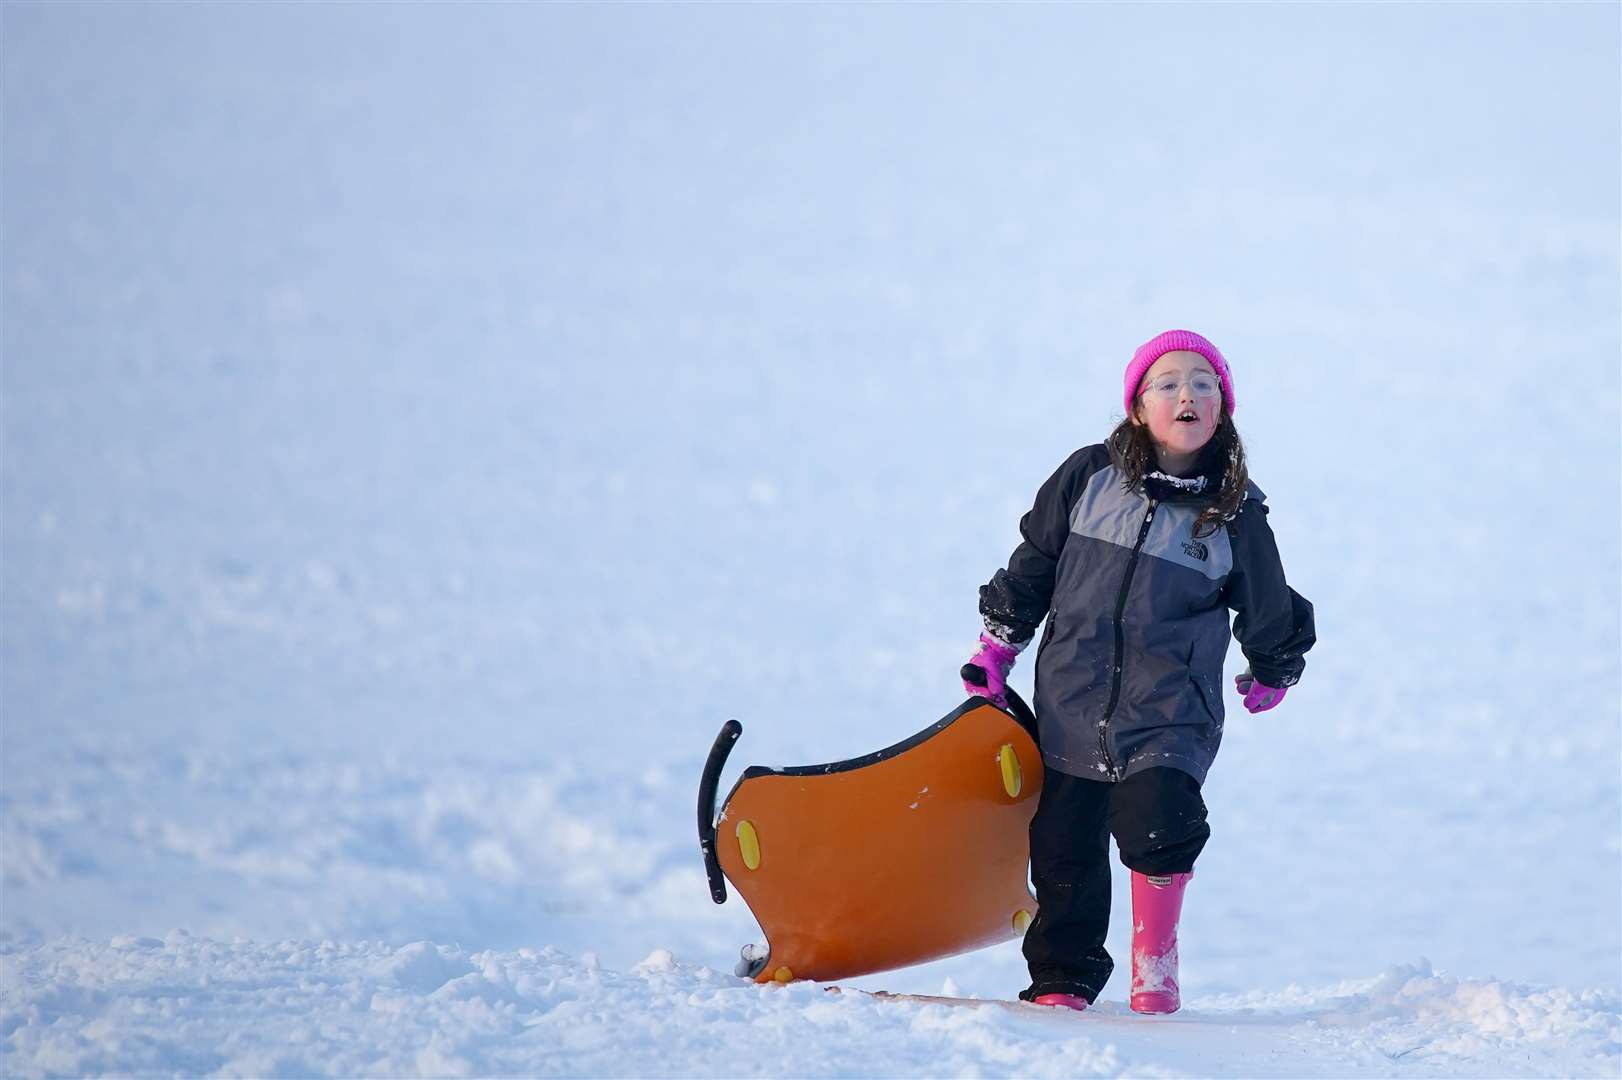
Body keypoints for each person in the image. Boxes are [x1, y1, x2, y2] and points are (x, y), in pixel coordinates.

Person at [963, 329, 1316, 1014]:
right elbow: (1033, 565)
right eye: (1169, 382)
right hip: (1070, 697)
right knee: (1064, 849)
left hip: (1170, 709)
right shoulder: (1087, 477)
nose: (1188, 393)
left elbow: (1267, 597)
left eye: (1205, 383)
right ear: (1137, 407)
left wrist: (1274, 664)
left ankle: (1154, 961)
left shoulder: (1233, 511)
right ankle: (1063, 979)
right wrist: (997, 648)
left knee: (1162, 821)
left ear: (1223, 408)